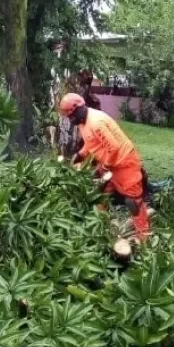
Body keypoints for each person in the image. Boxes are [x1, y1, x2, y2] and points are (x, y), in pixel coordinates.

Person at [58, 93, 151, 241]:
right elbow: (91, 143)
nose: (71, 120)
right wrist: (80, 154)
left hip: (124, 162)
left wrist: (104, 167)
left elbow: (114, 147)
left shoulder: (96, 121)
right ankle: (102, 230)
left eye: (71, 115)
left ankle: (145, 238)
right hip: (109, 163)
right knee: (100, 196)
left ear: (78, 108)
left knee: (133, 202)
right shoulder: (83, 123)